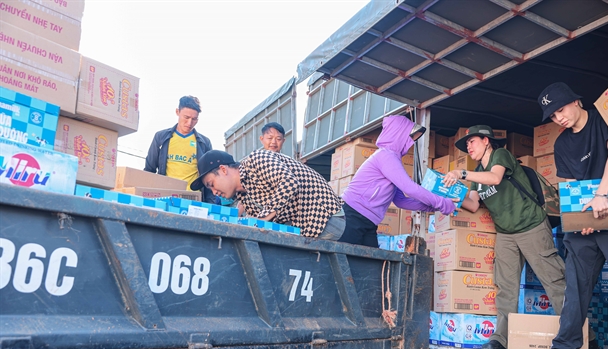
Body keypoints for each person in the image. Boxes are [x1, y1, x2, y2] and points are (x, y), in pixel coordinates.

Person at [537, 82, 608, 349]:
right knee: (576, 284)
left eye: (560, 110)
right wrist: (578, 220)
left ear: (576, 101)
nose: (559, 118)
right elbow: (569, 187)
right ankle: (567, 346)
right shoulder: (561, 144)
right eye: (553, 116)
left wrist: (601, 195)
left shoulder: (603, 120)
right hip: (584, 220)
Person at [443, 125, 567, 349]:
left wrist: (460, 173)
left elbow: (496, 178)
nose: (468, 147)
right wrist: (447, 194)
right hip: (506, 234)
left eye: (472, 141)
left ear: (486, 140)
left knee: (554, 281)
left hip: (532, 225)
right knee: (505, 287)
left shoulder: (500, 156)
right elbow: (472, 204)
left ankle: (577, 336)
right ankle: (502, 337)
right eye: (466, 145)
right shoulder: (477, 176)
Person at [339, 115, 456, 247]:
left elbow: (401, 201)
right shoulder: (385, 156)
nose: (411, 142)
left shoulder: (392, 160)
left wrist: (434, 207)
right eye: (409, 137)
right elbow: (410, 188)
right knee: (344, 262)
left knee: (369, 265)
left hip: (368, 221)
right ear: (398, 134)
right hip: (352, 216)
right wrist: (442, 203)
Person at [190, 150, 345, 239]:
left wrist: (262, 219)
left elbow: (289, 182)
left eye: (211, 185)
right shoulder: (243, 198)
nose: (214, 192)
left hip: (325, 218)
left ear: (223, 170)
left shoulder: (257, 159)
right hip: (304, 230)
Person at [145, 95, 217, 203]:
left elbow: (210, 178)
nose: (189, 123)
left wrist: (211, 205)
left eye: (194, 119)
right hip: (166, 199)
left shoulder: (204, 143)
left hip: (194, 200)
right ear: (177, 112)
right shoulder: (161, 138)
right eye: (186, 117)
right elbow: (149, 171)